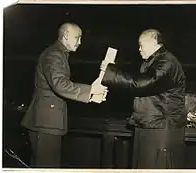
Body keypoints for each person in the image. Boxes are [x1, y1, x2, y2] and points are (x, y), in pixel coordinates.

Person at [21, 22, 107, 168]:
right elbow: (60, 85)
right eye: (77, 37)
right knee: (47, 167)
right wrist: (91, 90)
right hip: (46, 123)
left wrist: (91, 96)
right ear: (66, 36)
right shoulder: (54, 54)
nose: (80, 42)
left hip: (47, 121)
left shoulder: (57, 54)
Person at [101, 29, 187, 169]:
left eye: (141, 45)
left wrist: (110, 72)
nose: (139, 49)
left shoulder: (167, 62)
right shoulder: (155, 61)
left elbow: (141, 83)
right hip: (150, 124)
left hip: (160, 129)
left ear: (153, 42)